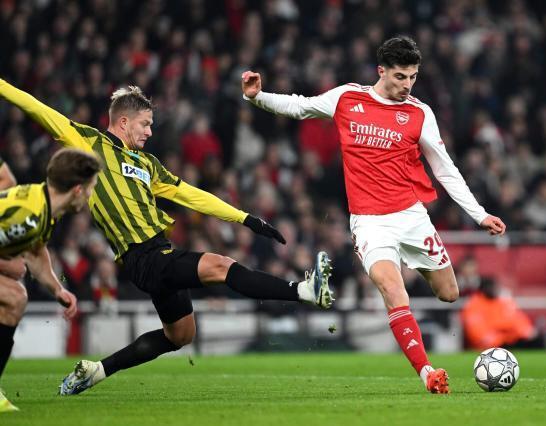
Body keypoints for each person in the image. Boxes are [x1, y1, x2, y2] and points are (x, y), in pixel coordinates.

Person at [0, 80, 334, 396]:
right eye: (145, 124)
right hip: (141, 256)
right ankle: (304, 291)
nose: (149, 131)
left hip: (159, 252)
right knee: (221, 265)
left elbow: (191, 195)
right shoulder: (90, 143)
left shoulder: (148, 164)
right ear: (123, 121)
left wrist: (245, 218)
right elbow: (36, 108)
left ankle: (96, 371)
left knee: (180, 335)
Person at [242, 36, 506, 394]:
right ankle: (427, 372)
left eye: (413, 77)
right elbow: (300, 106)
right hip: (370, 223)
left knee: (449, 293)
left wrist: (479, 214)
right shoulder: (348, 98)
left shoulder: (420, 113)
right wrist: (257, 96)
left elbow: (445, 169)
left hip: (411, 217)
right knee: (393, 290)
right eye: (400, 76)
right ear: (381, 71)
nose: (407, 85)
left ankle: (414, 272)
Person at [0, 148, 100, 412]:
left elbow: (36, 253)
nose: (90, 196)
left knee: (14, 299)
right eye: (90, 189)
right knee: (14, 296)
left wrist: (58, 290)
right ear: (77, 190)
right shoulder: (28, 215)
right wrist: (7, 264)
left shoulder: (42, 206)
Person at [460, 278, 536, 350]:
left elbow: (519, 320)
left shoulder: (504, 302)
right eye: (491, 287)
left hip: (511, 339)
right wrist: (499, 339)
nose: (494, 289)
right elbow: (476, 331)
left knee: (536, 341)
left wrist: (524, 333)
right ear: (483, 289)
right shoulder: (474, 304)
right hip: (493, 343)